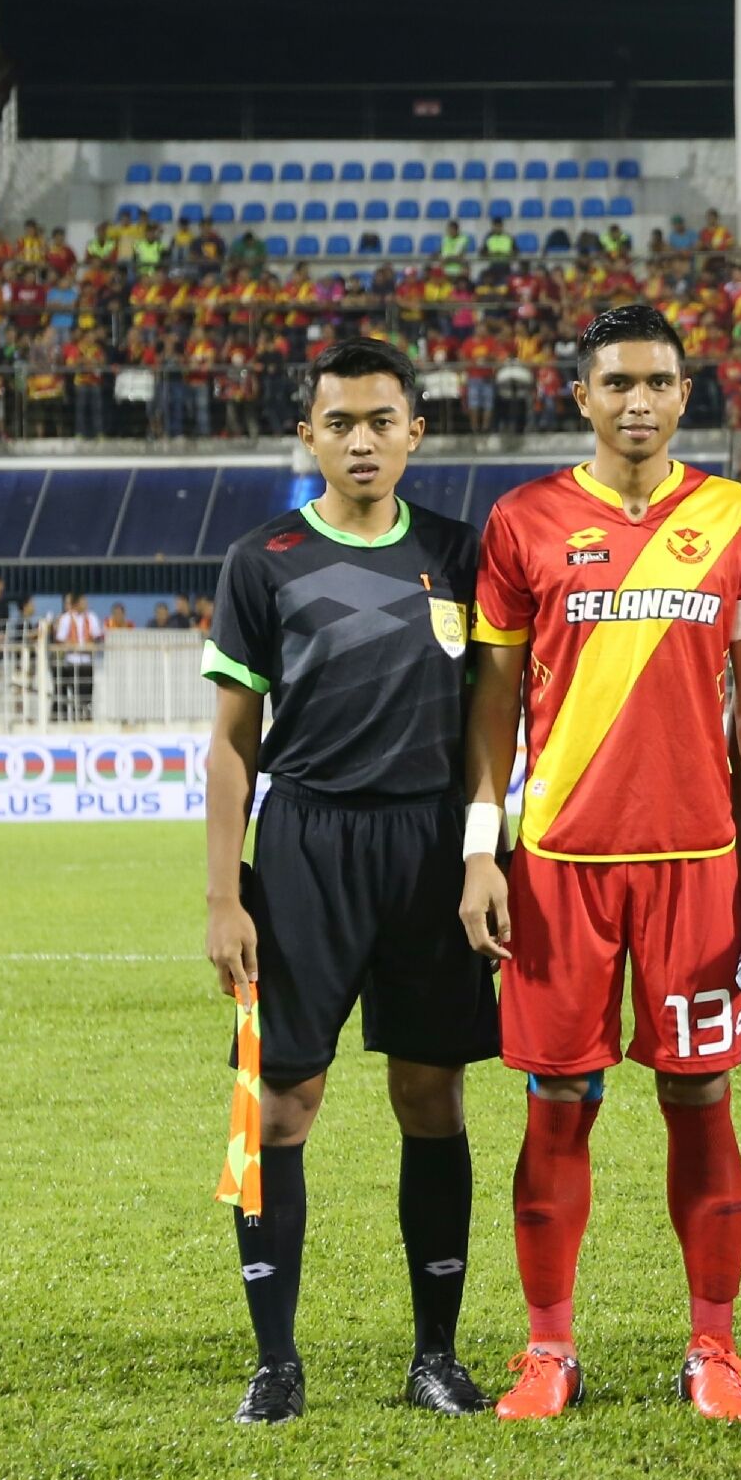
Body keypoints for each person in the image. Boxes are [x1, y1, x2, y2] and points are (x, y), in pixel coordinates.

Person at [460, 303, 741, 1423]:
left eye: (657, 383)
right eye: (617, 384)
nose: (637, 403)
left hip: (700, 856)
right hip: (557, 860)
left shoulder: (738, 516)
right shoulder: (524, 520)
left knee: (701, 1098)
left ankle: (715, 1349)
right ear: (583, 395)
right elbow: (495, 697)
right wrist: (482, 849)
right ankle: (547, 1352)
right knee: (557, 1103)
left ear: (685, 394)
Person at [201, 338, 500, 1424]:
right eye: (341, 423)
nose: (362, 440)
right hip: (305, 847)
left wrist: (480, 846)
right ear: (310, 435)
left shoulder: (465, 554)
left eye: (382, 420)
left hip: (430, 850)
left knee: (431, 1094)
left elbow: (489, 722)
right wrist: (223, 894)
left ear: (416, 432)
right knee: (283, 1103)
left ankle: (435, 1356)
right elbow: (233, 742)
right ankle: (274, 1361)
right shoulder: (263, 558)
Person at [52, 593, 104, 721]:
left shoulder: (91, 617)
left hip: (86, 661)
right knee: (72, 692)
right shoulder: (66, 618)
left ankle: (85, 717)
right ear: (76, 604)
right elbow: (60, 639)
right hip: (71, 661)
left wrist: (92, 643)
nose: (85, 604)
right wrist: (70, 645)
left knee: (86, 693)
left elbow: (98, 636)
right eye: (82, 602)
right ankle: (70, 717)